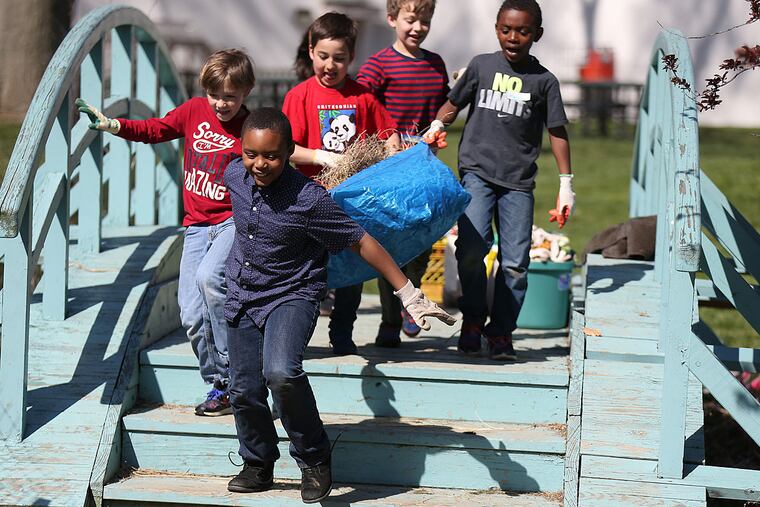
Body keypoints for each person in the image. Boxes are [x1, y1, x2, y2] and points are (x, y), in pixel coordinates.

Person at [223, 107, 455, 502]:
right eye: (251, 153)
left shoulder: (309, 200)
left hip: (292, 293)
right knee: (243, 388)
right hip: (243, 293)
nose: (260, 164)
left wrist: (408, 293)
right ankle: (258, 462)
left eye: (272, 156)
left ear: (289, 152)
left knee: (280, 372)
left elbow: (360, 240)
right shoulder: (234, 175)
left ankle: (314, 457)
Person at [76, 49, 255, 414]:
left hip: (230, 222)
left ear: (246, 93)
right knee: (190, 313)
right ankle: (218, 386)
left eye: (231, 97)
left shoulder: (251, 127)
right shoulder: (193, 111)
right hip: (195, 227)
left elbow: (276, 160)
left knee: (210, 279)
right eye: (215, 95)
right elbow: (157, 129)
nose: (222, 104)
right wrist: (115, 125)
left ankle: (240, 376)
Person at [424, 0, 575, 360]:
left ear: (536, 34)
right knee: (472, 249)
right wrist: (436, 125)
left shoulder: (545, 81)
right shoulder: (481, 66)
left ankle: (501, 332)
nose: (513, 37)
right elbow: (453, 103)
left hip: (518, 184)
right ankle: (474, 320)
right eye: (506, 29)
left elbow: (557, 131)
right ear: (496, 29)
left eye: (523, 31)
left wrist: (565, 182)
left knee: (515, 264)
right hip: (476, 173)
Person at [282, 12, 400, 356]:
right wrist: (320, 156)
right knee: (307, 273)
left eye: (339, 58)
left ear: (352, 58)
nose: (330, 65)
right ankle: (296, 335)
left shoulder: (361, 97)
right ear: (310, 51)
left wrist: (393, 150)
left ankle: (343, 333)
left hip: (352, 201)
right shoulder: (299, 96)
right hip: (309, 198)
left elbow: (387, 132)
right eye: (323, 56)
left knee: (351, 270)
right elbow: (285, 149)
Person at [356, 0, 450, 348]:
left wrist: (442, 122)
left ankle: (415, 291)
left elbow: (445, 106)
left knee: (425, 238)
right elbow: (361, 104)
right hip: (389, 167)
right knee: (389, 243)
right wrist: (384, 142)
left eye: (425, 21)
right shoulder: (379, 65)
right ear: (392, 18)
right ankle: (390, 319)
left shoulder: (436, 64)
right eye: (411, 20)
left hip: (424, 167)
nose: (418, 28)